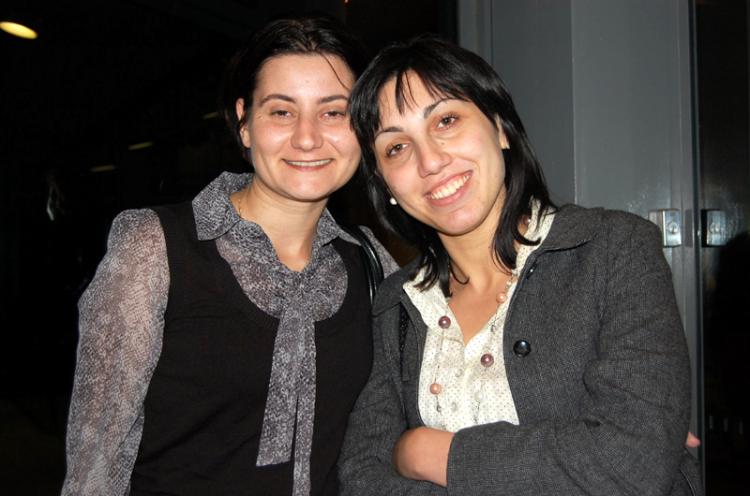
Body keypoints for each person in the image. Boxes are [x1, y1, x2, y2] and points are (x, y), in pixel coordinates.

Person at [338, 35, 703, 495]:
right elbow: (362, 478)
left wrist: (429, 453)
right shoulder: (398, 305)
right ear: (386, 186)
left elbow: (629, 465)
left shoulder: (615, 250)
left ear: (500, 127)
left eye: (446, 120)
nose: (430, 160)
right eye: (396, 148)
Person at [61, 15, 397, 496]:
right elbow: (96, 465)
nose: (307, 137)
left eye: (333, 112)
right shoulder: (154, 248)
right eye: (281, 112)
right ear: (244, 122)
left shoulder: (371, 260)